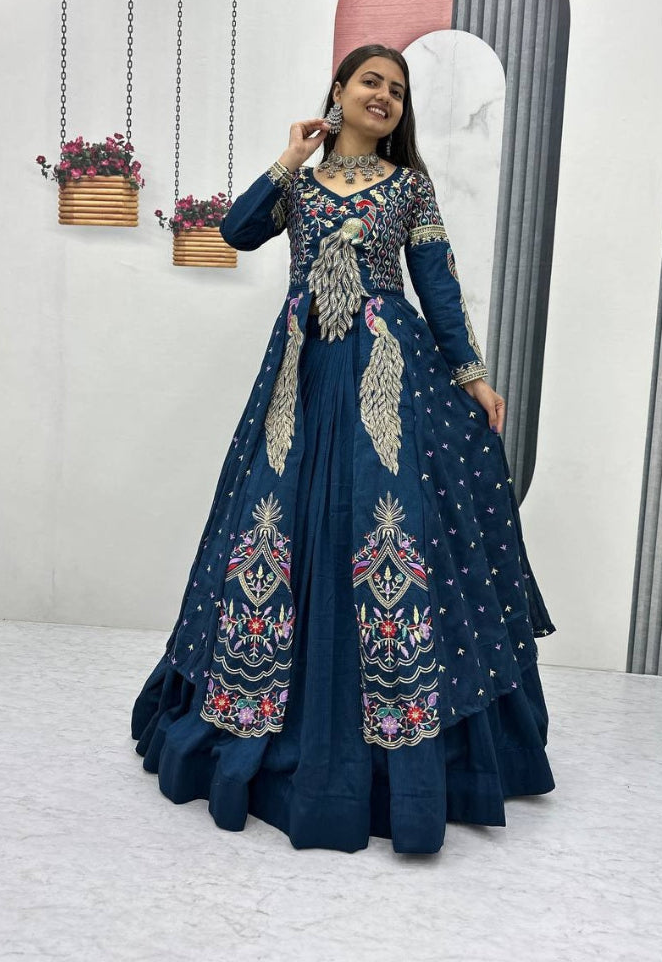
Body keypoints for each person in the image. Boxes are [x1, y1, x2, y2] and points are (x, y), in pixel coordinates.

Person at [131, 43, 556, 854]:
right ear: (339, 90)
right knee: (276, 523)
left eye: (397, 89)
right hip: (302, 371)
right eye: (370, 81)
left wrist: (472, 375)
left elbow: (436, 283)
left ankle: (408, 752)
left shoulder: (410, 186)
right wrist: (290, 156)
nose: (384, 96)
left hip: (387, 372)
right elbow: (236, 231)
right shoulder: (300, 182)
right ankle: (261, 720)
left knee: (387, 526)